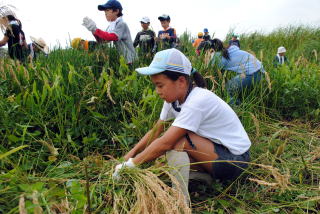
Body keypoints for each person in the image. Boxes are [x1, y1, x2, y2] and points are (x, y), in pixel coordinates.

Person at [112, 48, 251, 204]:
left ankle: (180, 203)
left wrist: (131, 165)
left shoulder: (197, 101)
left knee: (176, 142)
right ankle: (205, 178)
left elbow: (166, 142)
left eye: (160, 85)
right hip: (216, 150)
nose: (157, 91)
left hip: (236, 160)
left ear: (181, 81)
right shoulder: (174, 100)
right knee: (165, 160)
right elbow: (155, 131)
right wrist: (129, 155)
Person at [211, 38, 264, 104]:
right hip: (259, 71)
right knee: (231, 86)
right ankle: (239, 104)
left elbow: (214, 71)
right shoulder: (228, 50)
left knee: (226, 89)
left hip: (252, 73)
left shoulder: (217, 55)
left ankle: (237, 109)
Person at [82, 0, 136, 64]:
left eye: (107, 10)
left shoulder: (121, 24)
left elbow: (112, 37)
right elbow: (102, 41)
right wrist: (93, 31)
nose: (105, 13)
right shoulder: (111, 27)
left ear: (116, 11)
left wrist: (96, 30)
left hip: (131, 60)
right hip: (124, 61)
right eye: (104, 11)